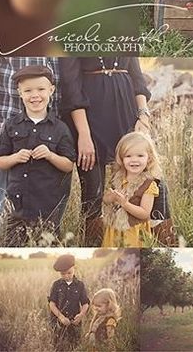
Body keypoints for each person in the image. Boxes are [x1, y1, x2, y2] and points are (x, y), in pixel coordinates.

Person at [58, 57, 152, 245]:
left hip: (126, 113)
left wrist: (143, 115)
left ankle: (134, 241)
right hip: (89, 118)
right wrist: (84, 135)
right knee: (94, 191)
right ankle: (93, 243)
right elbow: (71, 87)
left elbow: (137, 77)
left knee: (135, 187)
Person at [0, 57, 61, 230]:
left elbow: (58, 79)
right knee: (4, 197)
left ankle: (41, 236)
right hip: (11, 128)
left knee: (45, 196)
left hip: (49, 132)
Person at [0, 65, 76, 245]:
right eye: (28, 90)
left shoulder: (60, 128)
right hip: (17, 205)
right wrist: (15, 157)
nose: (35, 95)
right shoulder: (11, 125)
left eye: (41, 89)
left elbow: (69, 165)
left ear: (51, 90)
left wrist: (50, 156)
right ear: (20, 93)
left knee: (47, 243)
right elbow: (0, 161)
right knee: (13, 243)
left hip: (48, 205)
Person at [102, 131, 161, 247]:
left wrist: (125, 204)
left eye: (140, 156)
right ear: (121, 159)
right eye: (128, 156)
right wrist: (111, 197)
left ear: (149, 158)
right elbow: (106, 200)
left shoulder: (148, 185)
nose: (134, 160)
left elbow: (144, 213)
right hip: (115, 229)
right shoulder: (117, 178)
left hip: (134, 232)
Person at [48, 253, 90, 351]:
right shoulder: (56, 285)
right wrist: (61, 317)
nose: (66, 276)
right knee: (58, 345)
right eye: (63, 274)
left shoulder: (80, 285)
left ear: (74, 268)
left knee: (75, 345)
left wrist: (81, 315)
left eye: (69, 273)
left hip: (74, 322)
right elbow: (52, 303)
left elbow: (85, 303)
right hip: (58, 322)